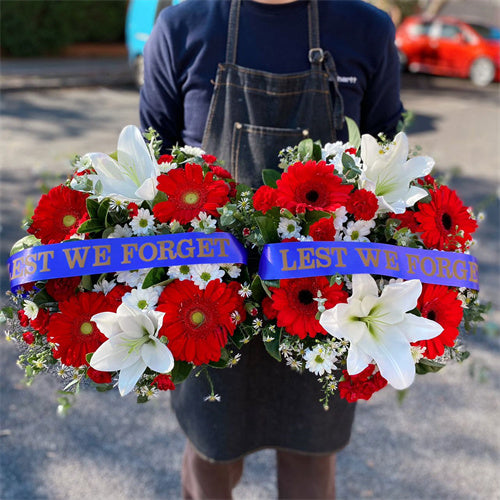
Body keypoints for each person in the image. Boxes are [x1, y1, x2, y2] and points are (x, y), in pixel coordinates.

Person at [140, 0, 404, 498]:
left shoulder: (366, 29)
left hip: (327, 303)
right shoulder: (182, 26)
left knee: (311, 455)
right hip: (206, 304)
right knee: (211, 455)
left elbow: (389, 162)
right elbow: (151, 168)